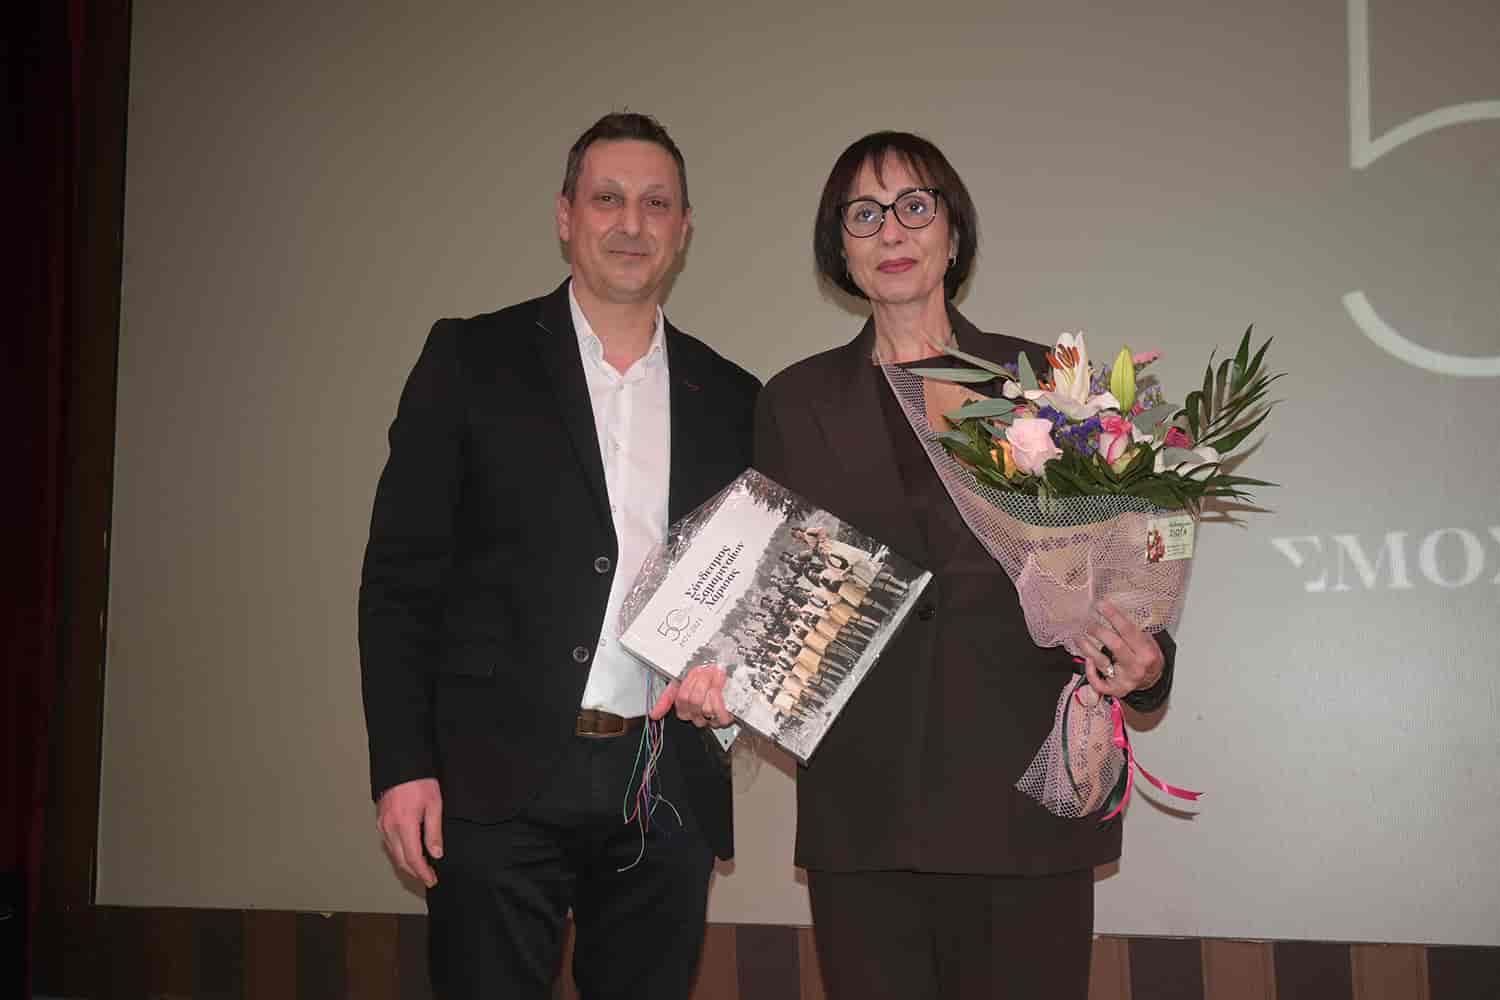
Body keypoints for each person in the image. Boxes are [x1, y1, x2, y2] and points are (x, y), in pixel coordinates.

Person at [678, 131, 1178, 998]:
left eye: (915, 205)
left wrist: (1147, 666)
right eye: (864, 215)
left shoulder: (1045, 384)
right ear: (840, 248)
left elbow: (1125, 567)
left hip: (1026, 802)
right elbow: (768, 594)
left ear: (953, 231)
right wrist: (719, 675)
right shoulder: (795, 403)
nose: (892, 231)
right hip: (866, 808)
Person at [358, 112, 759, 1000]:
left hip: (664, 785)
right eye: (607, 198)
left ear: (685, 229)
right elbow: (399, 583)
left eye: (656, 204)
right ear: (565, 216)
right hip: (492, 784)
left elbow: (750, 594)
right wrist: (402, 766)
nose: (631, 223)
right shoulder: (471, 358)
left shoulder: (734, 398)